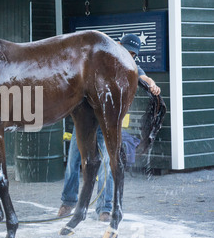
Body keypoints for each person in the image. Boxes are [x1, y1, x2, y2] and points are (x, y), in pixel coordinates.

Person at [57, 34, 161, 221]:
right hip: (85, 124)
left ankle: (104, 208)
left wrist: (152, 85)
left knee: (108, 164)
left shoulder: (128, 65)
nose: (129, 56)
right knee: (73, 162)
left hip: (108, 125)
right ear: (118, 45)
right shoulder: (97, 60)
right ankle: (68, 202)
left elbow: (143, 76)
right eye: (127, 51)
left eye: (133, 54)